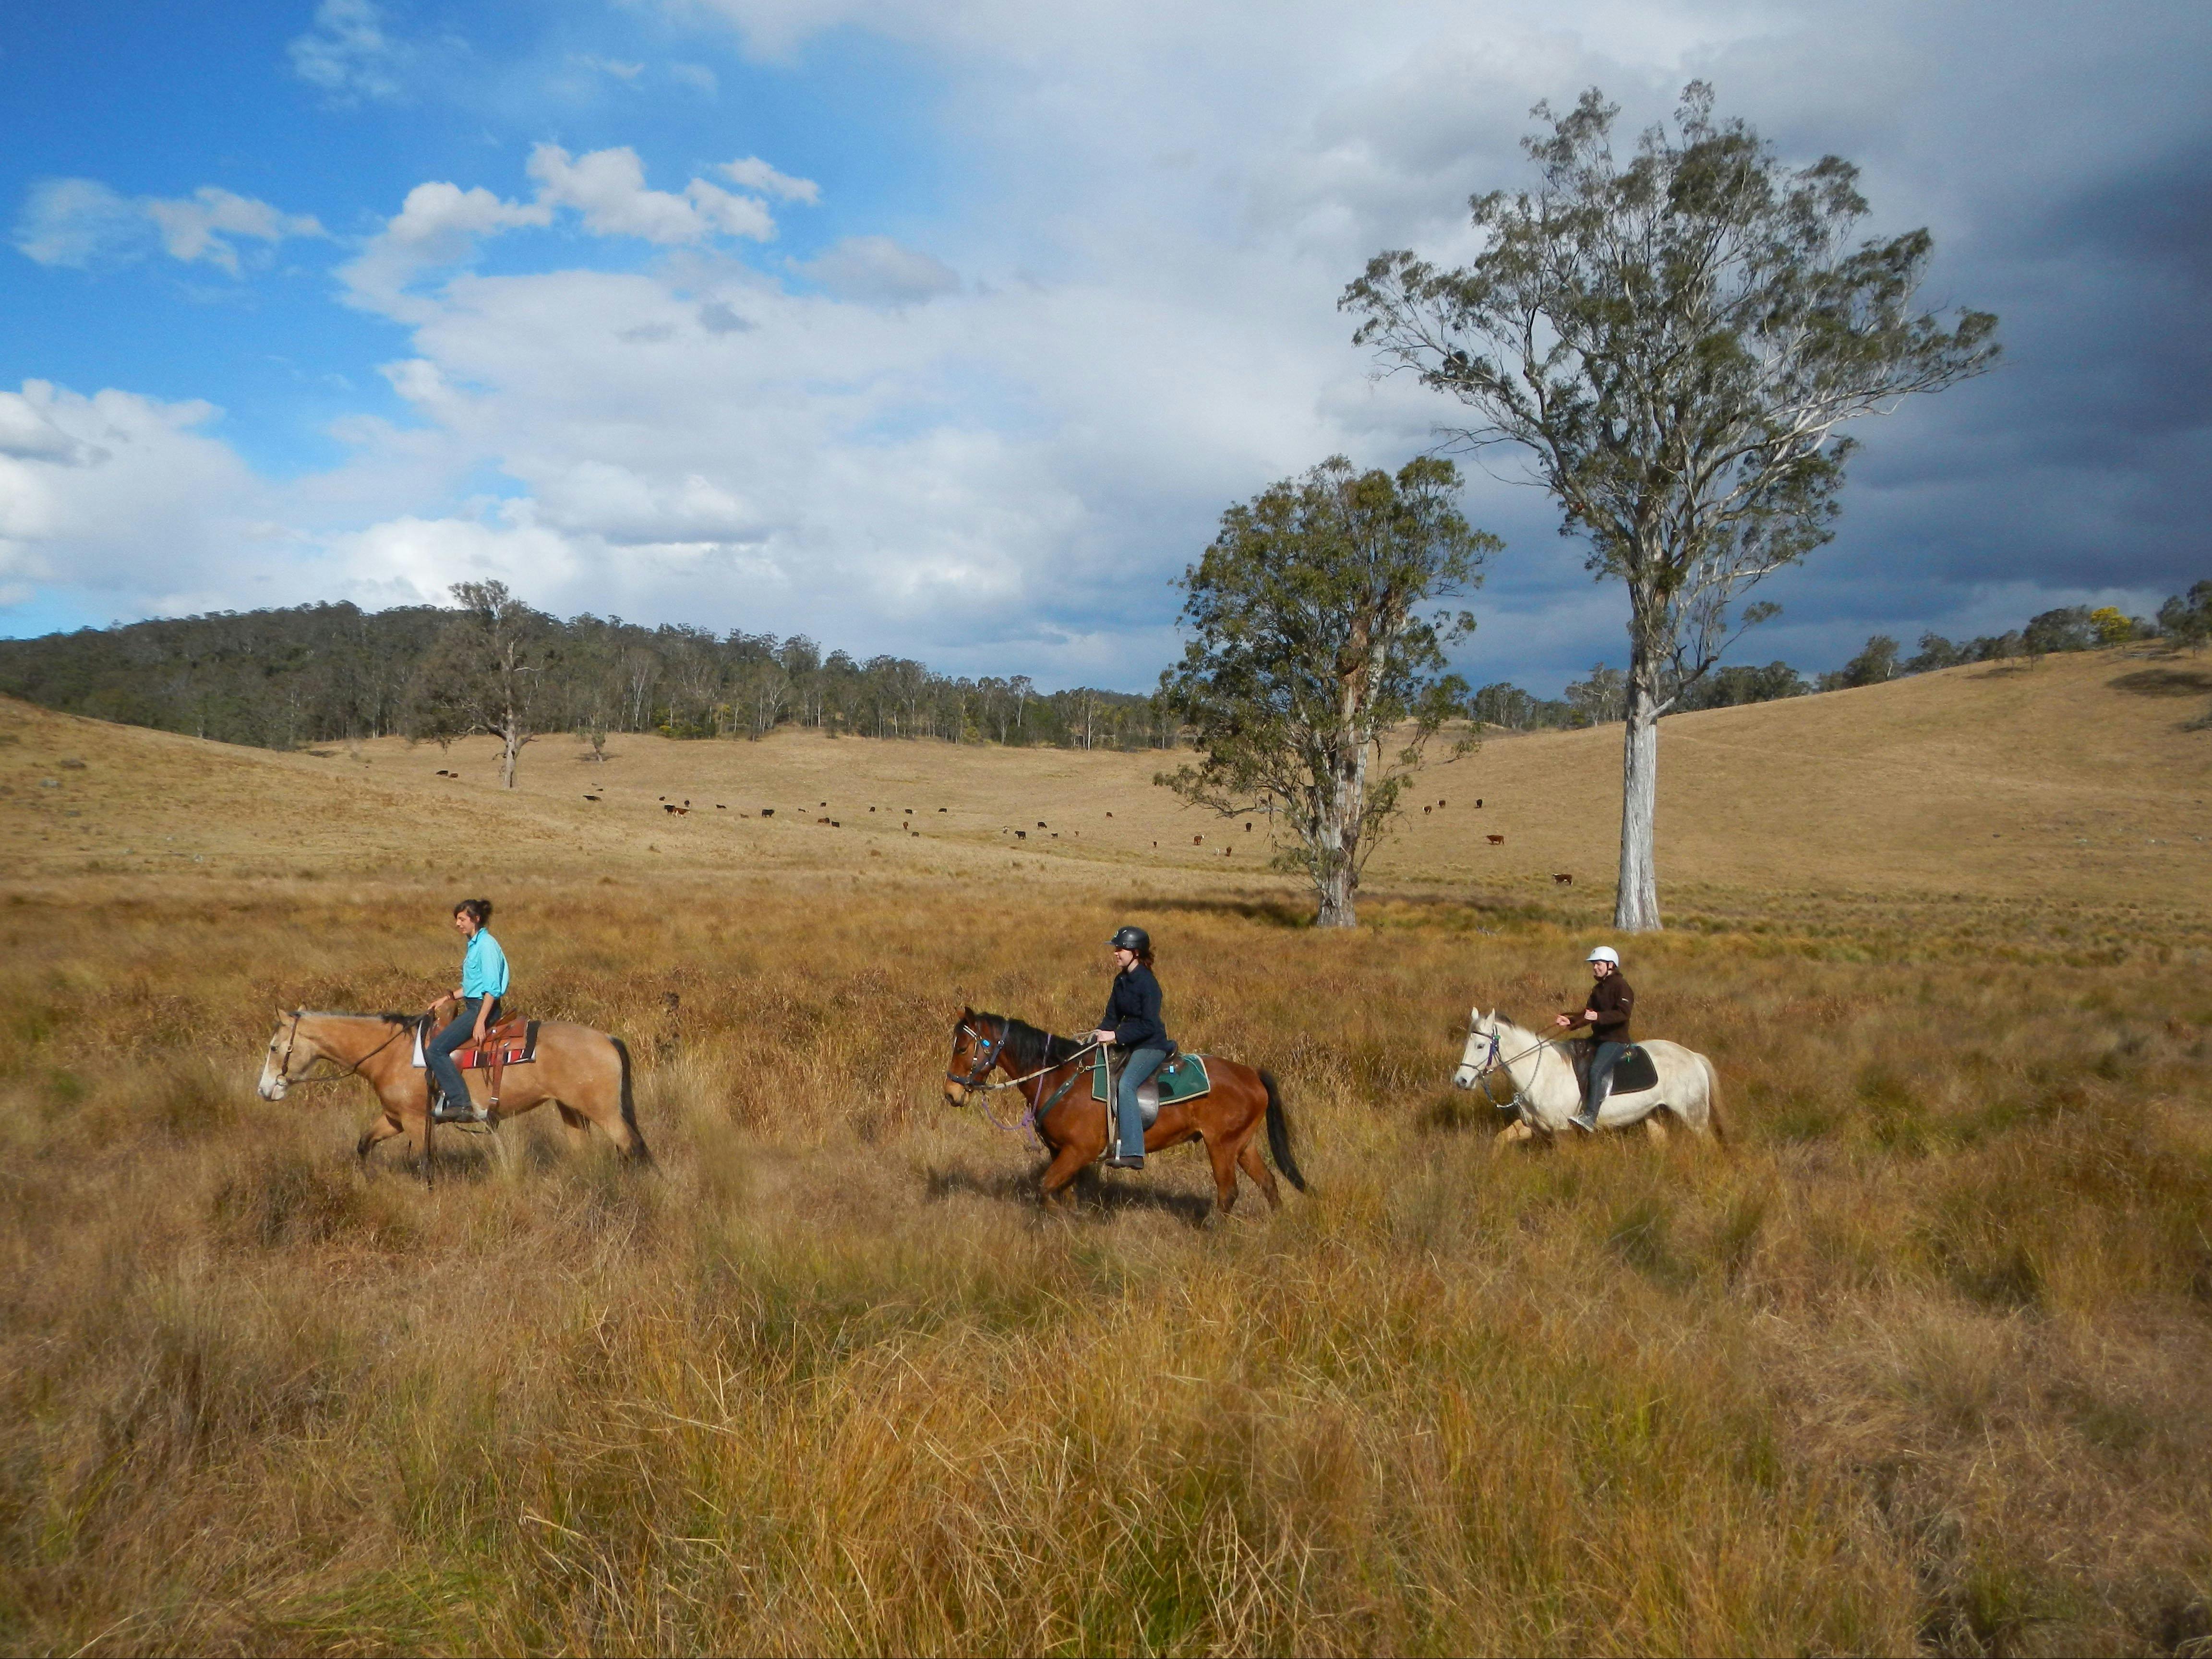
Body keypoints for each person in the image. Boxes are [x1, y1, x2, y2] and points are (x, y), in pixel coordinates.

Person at [1092, 924, 1169, 1169]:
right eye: (1116, 948)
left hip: (1150, 1045)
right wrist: (1097, 1035)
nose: (1116, 952)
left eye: (1121, 948)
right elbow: (1111, 1017)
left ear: (1135, 952)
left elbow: (1149, 1025)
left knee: (1126, 1085)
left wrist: (1115, 1035)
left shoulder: (1148, 984)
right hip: (1128, 1042)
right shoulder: (1121, 981)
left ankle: (1134, 1151)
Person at [426, 897, 508, 1124]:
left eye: (462, 919)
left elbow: (492, 989)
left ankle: (461, 1104)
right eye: (457, 919)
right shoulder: (474, 944)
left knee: (436, 1050)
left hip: (483, 1008)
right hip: (474, 1004)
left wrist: (481, 1021)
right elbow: (474, 986)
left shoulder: (487, 946)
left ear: (476, 920)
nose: (458, 924)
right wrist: (448, 997)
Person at [1554, 944, 1634, 1132]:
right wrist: (1570, 1022)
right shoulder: (1599, 989)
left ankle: (1590, 1117)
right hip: (1598, 1039)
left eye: (1598, 964)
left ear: (1611, 965)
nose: (1595, 968)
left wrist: (1599, 1017)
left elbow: (1624, 1013)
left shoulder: (1621, 986)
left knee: (1596, 1071)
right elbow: (1587, 1014)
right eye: (1594, 965)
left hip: (1616, 1041)